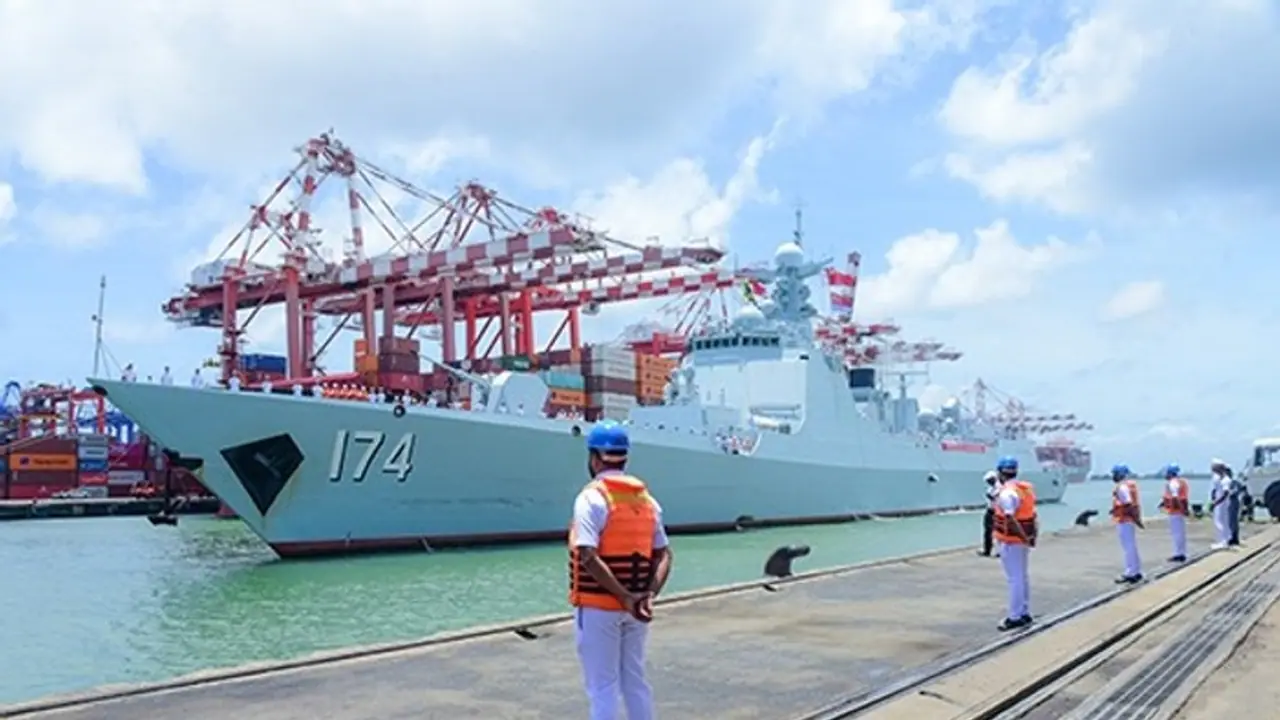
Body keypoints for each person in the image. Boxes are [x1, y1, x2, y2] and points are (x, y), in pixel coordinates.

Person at [569, 420, 673, 720]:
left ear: (594, 458)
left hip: (599, 607)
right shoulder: (648, 501)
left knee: (602, 686)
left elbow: (588, 556)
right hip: (637, 608)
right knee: (634, 681)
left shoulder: (591, 499)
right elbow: (664, 554)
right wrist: (648, 595)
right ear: (624, 458)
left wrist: (623, 596)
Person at [991, 455, 1036, 631]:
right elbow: (1033, 515)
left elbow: (1010, 519)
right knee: (1022, 577)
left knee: (1014, 579)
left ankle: (1015, 617)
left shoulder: (1007, 493)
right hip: (1023, 539)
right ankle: (1024, 612)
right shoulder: (1024, 489)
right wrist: (1031, 537)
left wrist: (1023, 537)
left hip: (1011, 541)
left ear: (1000, 473)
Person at [1111, 464, 1144, 583]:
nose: (1113, 476)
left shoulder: (1122, 487)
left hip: (1124, 520)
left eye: (1114, 473)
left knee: (1128, 547)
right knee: (1131, 546)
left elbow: (1128, 504)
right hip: (1128, 519)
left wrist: (1135, 519)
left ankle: (1131, 573)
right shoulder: (1128, 486)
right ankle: (1136, 570)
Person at [1159, 464, 1189, 562]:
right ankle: (1181, 552)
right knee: (1180, 533)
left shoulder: (1173, 483)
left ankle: (1179, 554)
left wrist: (1182, 509)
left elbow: (1175, 497)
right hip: (1178, 511)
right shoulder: (1179, 482)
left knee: (1177, 533)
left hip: (1175, 511)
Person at [978, 470, 1001, 557]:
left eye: (989, 480)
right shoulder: (991, 488)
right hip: (990, 510)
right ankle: (987, 550)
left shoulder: (999, 487)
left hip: (997, 511)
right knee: (987, 531)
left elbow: (994, 496)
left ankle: (999, 551)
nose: (988, 482)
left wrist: (990, 496)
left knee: (998, 531)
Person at [1210, 459, 1232, 549]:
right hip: (1221, 502)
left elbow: (1226, 493)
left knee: (1219, 521)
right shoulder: (1220, 478)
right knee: (1223, 521)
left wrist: (1216, 502)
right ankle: (1225, 540)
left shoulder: (1225, 480)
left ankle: (1223, 542)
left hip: (1222, 503)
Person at [1226, 465, 1242, 546]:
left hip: (1233, 502)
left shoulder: (1234, 482)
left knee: (1233, 520)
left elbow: (1235, 491)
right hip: (1227, 502)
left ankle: (1234, 538)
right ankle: (1230, 537)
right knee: (1228, 521)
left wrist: (1228, 493)